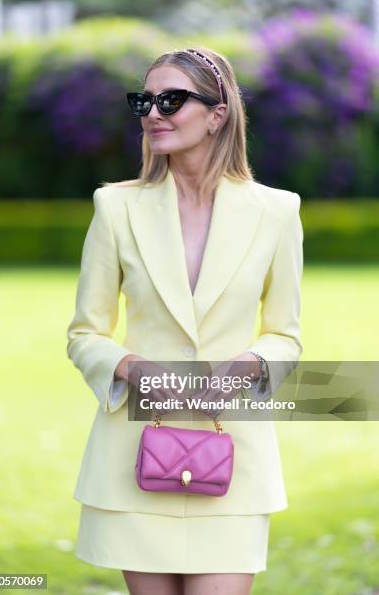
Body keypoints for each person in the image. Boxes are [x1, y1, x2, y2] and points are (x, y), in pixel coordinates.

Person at [66, 46, 304, 595]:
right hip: (134, 461)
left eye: (171, 99)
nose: (153, 113)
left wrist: (250, 364)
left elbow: (285, 336)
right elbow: (85, 333)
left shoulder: (277, 211)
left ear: (217, 114)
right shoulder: (115, 207)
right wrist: (130, 367)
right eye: (144, 100)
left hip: (234, 461)